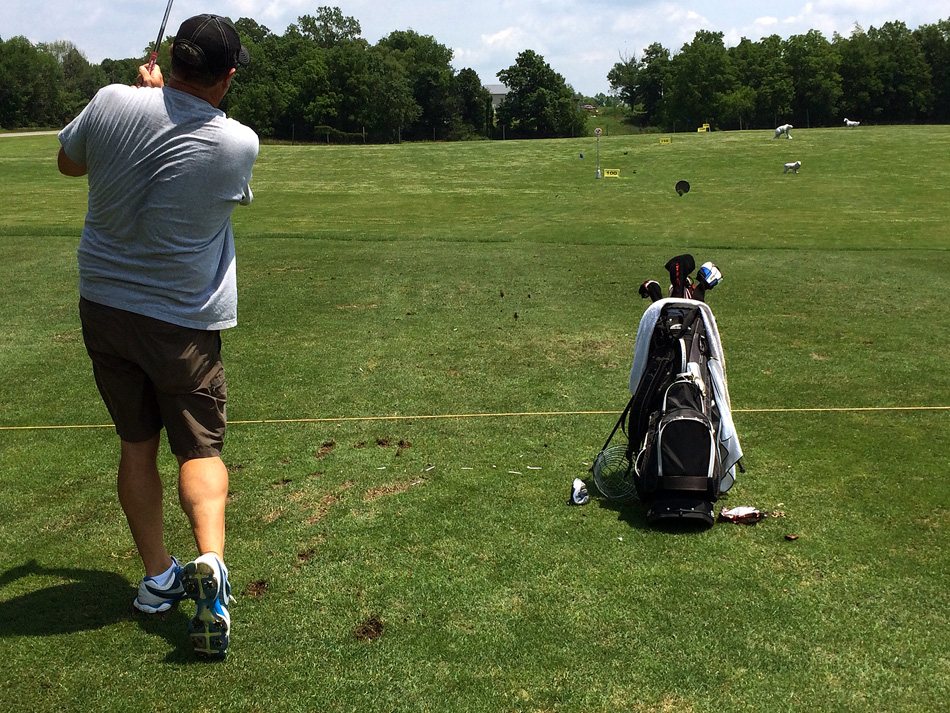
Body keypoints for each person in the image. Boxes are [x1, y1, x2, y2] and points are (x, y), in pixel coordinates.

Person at [57, 14, 259, 660]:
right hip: (183, 323)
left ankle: (155, 577)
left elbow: (69, 161)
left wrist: (140, 101)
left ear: (170, 58)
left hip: (105, 310)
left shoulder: (112, 101)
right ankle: (210, 572)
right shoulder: (238, 145)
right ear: (225, 79)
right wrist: (156, 105)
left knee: (136, 444)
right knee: (198, 449)